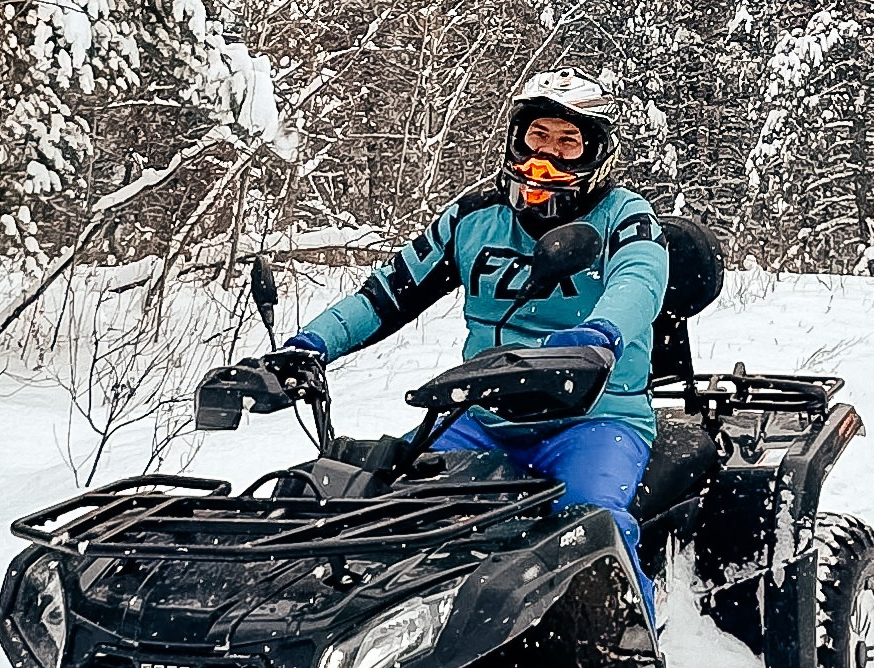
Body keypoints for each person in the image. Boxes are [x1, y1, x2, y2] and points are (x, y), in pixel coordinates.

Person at [280, 74, 670, 613]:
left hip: (595, 417)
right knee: (390, 514)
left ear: (594, 153)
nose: (545, 159)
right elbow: (388, 292)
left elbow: (639, 282)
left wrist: (597, 336)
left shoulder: (623, 216)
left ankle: (632, 657)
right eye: (539, 136)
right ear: (517, 137)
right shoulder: (474, 215)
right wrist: (309, 345)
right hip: (484, 418)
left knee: (591, 525)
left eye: (567, 143)